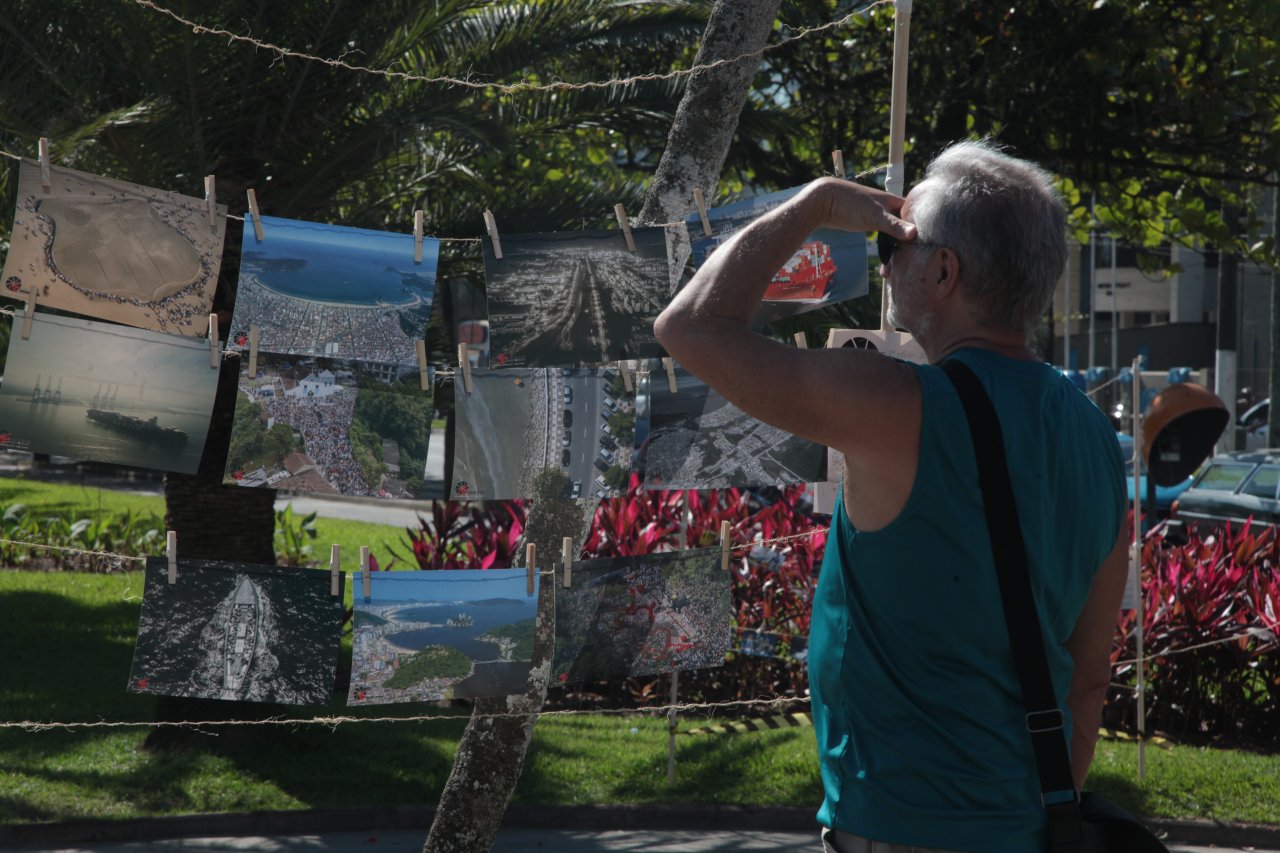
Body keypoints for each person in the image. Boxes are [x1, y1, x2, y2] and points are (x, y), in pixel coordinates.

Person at [654, 139, 1128, 853]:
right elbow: (1089, 676)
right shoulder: (1096, 436)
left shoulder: (898, 402)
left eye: (891, 248)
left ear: (944, 270)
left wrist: (813, 203)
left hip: (899, 827)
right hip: (1029, 829)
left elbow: (689, 326)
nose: (887, 264)